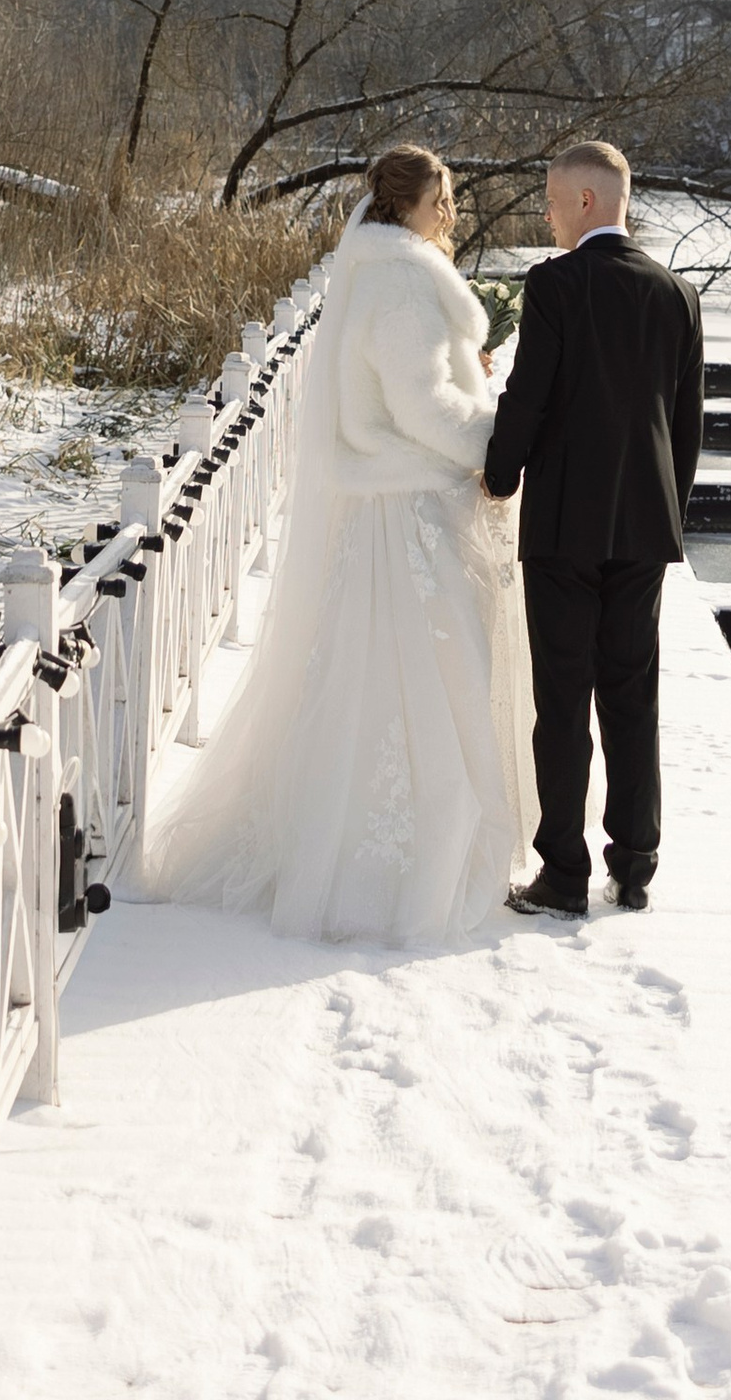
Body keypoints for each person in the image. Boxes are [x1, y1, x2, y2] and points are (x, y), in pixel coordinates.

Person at [145, 144, 537, 941]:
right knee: (424, 673)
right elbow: (420, 405)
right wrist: (497, 436)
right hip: (406, 511)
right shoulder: (401, 279)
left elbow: (400, 384)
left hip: (386, 500)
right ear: (409, 206)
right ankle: (391, 868)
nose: (451, 211)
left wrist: (469, 364)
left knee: (377, 671)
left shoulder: (377, 266)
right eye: (442, 198)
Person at [482, 139, 703, 916]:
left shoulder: (555, 285)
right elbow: (685, 424)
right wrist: (666, 510)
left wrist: (500, 472)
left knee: (563, 696)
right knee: (632, 693)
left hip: (564, 526)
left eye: (550, 198)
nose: (545, 214)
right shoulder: (676, 292)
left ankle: (564, 872)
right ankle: (635, 862)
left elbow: (528, 396)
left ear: (586, 201)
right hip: (645, 526)